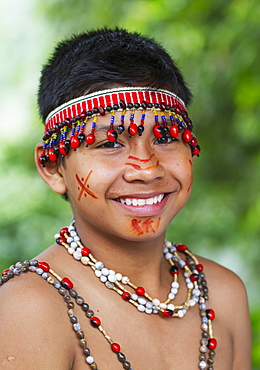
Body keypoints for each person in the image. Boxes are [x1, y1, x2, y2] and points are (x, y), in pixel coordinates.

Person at [0, 28, 251, 370]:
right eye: (108, 143)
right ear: (53, 168)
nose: (146, 169)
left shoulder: (222, 294)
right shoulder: (28, 308)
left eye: (165, 137)